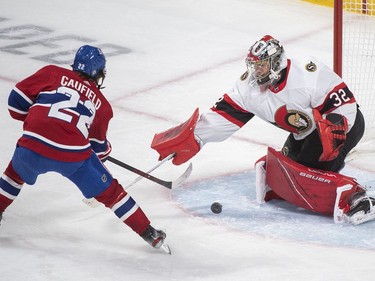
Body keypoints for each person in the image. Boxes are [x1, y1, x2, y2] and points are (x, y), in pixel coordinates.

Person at [150, 35, 375, 225]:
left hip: (344, 126)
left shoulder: (306, 72)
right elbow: (223, 114)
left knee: (303, 178)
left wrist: (335, 133)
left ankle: (359, 197)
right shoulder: (248, 88)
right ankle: (327, 169)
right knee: (286, 172)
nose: (256, 71)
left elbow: (342, 102)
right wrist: (195, 138)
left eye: (262, 65)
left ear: (276, 62)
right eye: (254, 65)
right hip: (305, 132)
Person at [0, 45, 169, 251]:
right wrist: (104, 149)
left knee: (13, 175)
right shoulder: (103, 106)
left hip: (33, 145)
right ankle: (149, 233)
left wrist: (38, 121)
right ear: (99, 74)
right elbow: (97, 149)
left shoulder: (51, 73)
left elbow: (14, 103)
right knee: (112, 193)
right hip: (73, 158)